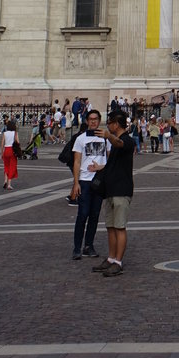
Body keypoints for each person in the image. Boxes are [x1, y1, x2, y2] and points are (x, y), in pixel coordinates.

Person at [90, 110, 136, 277]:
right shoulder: (115, 143)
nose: (108, 125)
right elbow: (113, 165)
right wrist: (99, 168)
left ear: (116, 124)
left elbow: (119, 144)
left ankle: (118, 262)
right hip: (110, 190)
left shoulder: (127, 141)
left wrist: (109, 136)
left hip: (121, 190)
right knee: (110, 226)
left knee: (119, 227)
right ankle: (110, 258)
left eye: (110, 123)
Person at [70, 109, 107, 261]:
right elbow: (77, 162)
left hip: (100, 181)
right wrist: (76, 183)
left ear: (99, 120)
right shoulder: (80, 139)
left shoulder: (106, 138)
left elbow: (110, 161)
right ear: (86, 121)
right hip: (85, 181)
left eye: (95, 119)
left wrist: (100, 168)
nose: (93, 121)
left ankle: (89, 246)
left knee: (95, 215)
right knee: (82, 214)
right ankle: (77, 247)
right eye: (90, 119)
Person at [1, 119, 19, 191]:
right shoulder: (15, 133)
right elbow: (17, 142)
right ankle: (9, 184)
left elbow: (2, 143)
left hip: (6, 149)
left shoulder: (5, 133)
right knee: (12, 166)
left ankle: (5, 180)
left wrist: (2, 152)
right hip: (12, 150)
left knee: (6, 166)